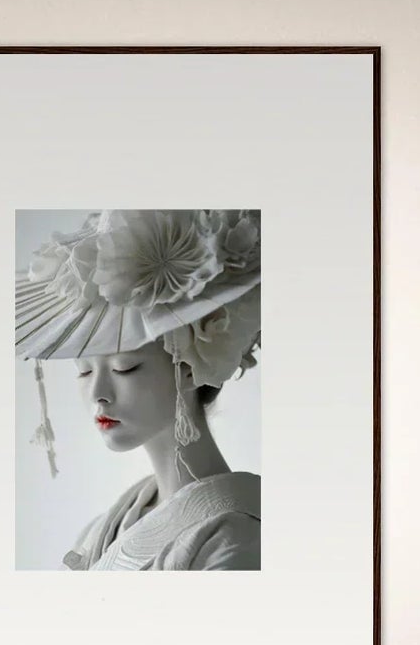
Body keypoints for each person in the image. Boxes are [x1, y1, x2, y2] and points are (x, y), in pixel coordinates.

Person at [15, 208, 262, 572]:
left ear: (191, 367)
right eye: (83, 371)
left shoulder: (233, 538)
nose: (98, 392)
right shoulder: (109, 524)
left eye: (124, 368)